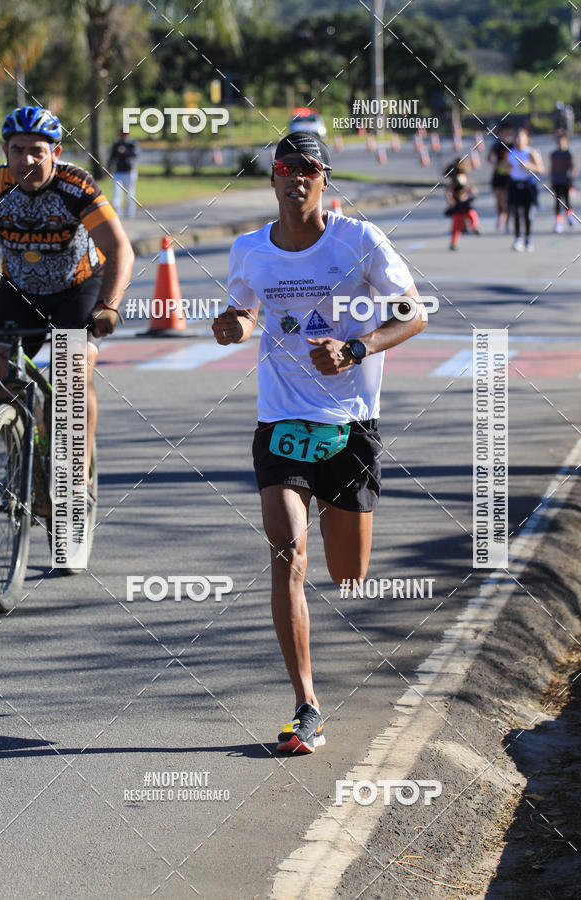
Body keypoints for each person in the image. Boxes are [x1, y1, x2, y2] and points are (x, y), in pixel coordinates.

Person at [212, 132, 427, 754]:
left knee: (348, 573)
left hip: (349, 426)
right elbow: (244, 311)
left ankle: (338, 514)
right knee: (287, 551)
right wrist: (233, 325)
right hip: (280, 420)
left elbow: (414, 312)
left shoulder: (360, 240)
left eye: (308, 168)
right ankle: (306, 705)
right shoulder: (250, 248)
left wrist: (356, 348)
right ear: (272, 178)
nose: (295, 177)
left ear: (324, 179)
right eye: (285, 167)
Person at [0, 106, 134, 503]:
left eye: (37, 150)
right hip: (20, 289)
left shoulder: (75, 186)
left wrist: (110, 304)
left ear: (56, 152)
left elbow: (119, 248)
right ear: (6, 151)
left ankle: (76, 475)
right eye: (17, 150)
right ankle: (19, 447)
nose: (26, 160)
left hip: (77, 287)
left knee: (73, 373)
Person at [507, 127, 544, 252]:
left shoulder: (531, 152)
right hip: (514, 185)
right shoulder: (511, 152)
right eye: (516, 138)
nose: (517, 140)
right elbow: (507, 168)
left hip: (528, 185)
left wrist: (529, 166)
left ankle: (528, 239)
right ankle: (518, 239)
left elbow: (541, 169)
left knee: (528, 214)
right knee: (516, 213)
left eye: (520, 138)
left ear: (526, 139)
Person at [443, 158, 480, 250]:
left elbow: (465, 188)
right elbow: (450, 190)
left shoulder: (463, 176)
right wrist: (450, 200)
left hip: (464, 202)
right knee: (457, 224)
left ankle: (473, 227)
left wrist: (470, 190)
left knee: (472, 214)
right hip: (458, 203)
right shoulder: (456, 178)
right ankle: (453, 243)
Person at [108, 129, 139, 218]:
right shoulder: (116, 144)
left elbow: (136, 154)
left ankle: (130, 212)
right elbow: (111, 158)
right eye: (122, 134)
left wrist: (125, 151)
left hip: (129, 172)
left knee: (130, 193)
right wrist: (109, 170)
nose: (124, 136)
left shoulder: (132, 144)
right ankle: (117, 212)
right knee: (116, 193)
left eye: (125, 134)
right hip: (118, 172)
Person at [487, 124, 512, 231]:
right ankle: (500, 216)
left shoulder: (513, 145)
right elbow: (489, 157)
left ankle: (506, 222)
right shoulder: (497, 145)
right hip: (498, 176)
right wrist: (495, 164)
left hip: (509, 177)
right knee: (498, 201)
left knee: (506, 201)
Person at [550, 131, 575, 232]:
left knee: (567, 201)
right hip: (557, 181)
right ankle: (558, 223)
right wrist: (551, 180)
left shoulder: (568, 154)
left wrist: (571, 181)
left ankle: (570, 217)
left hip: (566, 181)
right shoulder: (554, 154)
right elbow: (551, 168)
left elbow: (573, 168)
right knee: (557, 202)